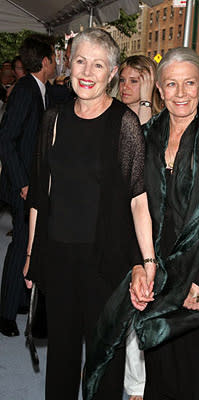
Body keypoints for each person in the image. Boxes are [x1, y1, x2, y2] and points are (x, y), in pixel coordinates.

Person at [80, 47, 199, 400]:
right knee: (162, 375)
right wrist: (138, 263)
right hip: (162, 271)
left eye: (189, 83)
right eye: (172, 85)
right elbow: (133, 208)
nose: (181, 93)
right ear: (160, 90)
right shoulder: (145, 136)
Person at [23, 28, 154, 400]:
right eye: (80, 60)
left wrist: (147, 260)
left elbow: (138, 198)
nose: (87, 71)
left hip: (105, 261)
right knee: (61, 357)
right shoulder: (53, 119)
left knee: (103, 361)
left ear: (111, 73)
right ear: (67, 62)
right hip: (59, 256)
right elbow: (39, 194)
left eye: (98, 64)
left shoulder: (123, 124)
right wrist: (32, 255)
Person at [0, 34, 56, 337]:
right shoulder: (25, 91)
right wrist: (22, 183)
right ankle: (5, 313)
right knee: (21, 243)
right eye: (55, 57)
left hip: (30, 182)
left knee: (27, 244)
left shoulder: (38, 89)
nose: (58, 61)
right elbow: (6, 140)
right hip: (22, 184)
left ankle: (18, 301)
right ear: (45, 61)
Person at [118, 55, 161, 400]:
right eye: (124, 80)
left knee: (140, 308)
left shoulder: (158, 122)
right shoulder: (111, 117)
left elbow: (144, 155)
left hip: (146, 228)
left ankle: (137, 388)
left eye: (136, 80)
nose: (126, 87)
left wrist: (146, 101)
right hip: (114, 228)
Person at [119, 55, 162, 125]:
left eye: (133, 81)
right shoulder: (112, 114)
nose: (125, 87)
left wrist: (145, 102)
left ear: (150, 83)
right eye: (122, 80)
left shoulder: (163, 121)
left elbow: (144, 134)